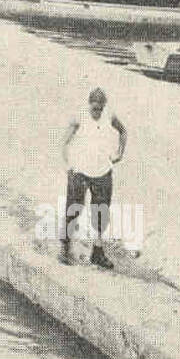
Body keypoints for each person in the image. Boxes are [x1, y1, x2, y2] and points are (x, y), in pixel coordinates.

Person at [59, 87, 127, 269]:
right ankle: (65, 246)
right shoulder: (79, 116)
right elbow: (64, 142)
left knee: (101, 212)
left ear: (104, 107)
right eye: (94, 108)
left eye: (100, 109)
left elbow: (123, 132)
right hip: (80, 170)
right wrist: (69, 165)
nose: (97, 112)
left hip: (102, 170)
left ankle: (97, 252)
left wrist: (119, 154)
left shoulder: (109, 115)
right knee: (73, 208)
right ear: (89, 105)